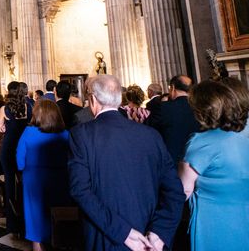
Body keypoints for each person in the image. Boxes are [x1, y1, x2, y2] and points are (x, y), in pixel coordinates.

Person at [68, 75, 184, 251]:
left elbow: (80, 190)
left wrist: (124, 232)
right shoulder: (151, 135)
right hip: (149, 239)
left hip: (106, 237)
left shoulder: (82, 135)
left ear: (92, 99)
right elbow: (175, 191)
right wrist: (159, 233)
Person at [179, 79, 249, 251]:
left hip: (214, 219)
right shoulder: (241, 136)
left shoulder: (201, 142)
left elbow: (183, 190)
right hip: (243, 212)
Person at [17, 99, 72, 251]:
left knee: (36, 225)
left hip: (34, 182)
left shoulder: (29, 132)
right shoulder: (65, 134)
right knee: (58, 221)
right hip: (60, 181)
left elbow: (20, 161)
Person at [0, 81, 32, 235]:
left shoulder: (4, 108)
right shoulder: (27, 107)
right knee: (24, 181)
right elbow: (30, 124)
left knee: (10, 183)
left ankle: (12, 223)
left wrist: (6, 127)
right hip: (24, 147)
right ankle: (25, 220)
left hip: (9, 147)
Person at [146, 74, 200, 165]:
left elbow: (148, 130)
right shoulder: (200, 108)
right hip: (197, 161)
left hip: (171, 162)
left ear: (173, 88)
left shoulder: (163, 108)